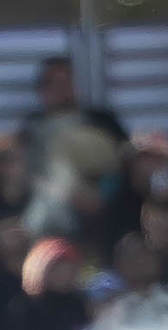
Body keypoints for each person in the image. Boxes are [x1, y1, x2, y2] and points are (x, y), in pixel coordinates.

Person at [18, 54, 128, 244]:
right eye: (55, 83)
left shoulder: (101, 122)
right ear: (42, 90)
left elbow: (121, 163)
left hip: (103, 207)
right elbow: (30, 172)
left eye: (67, 81)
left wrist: (100, 196)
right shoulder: (33, 128)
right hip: (52, 207)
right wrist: (66, 193)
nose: (63, 89)